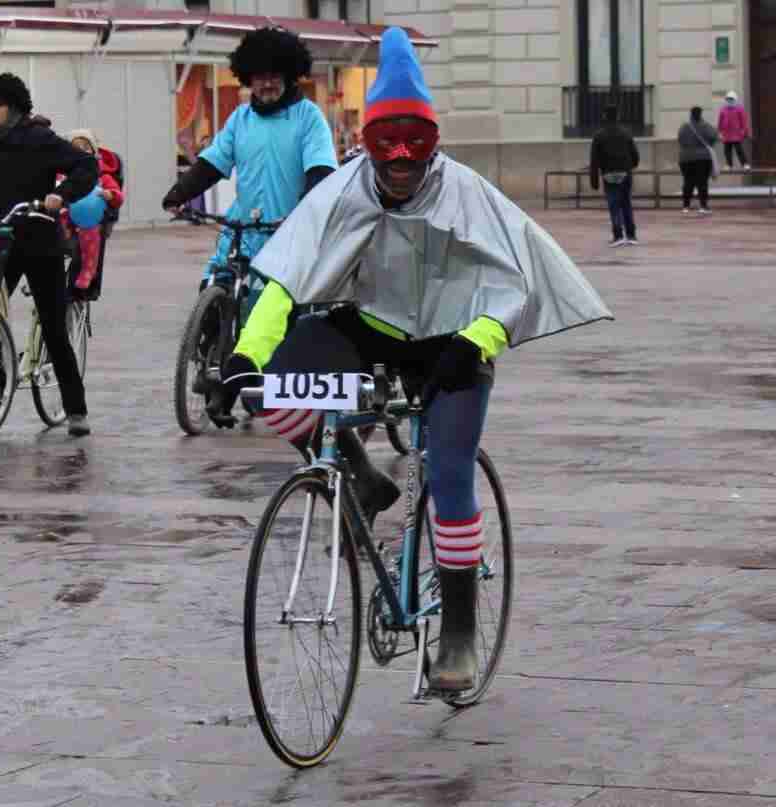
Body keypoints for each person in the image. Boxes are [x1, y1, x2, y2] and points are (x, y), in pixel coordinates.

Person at [209, 28, 612, 691]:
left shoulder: (467, 192)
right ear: (367, 144)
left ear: (433, 144)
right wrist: (246, 354)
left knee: (450, 478)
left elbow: (516, 278)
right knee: (277, 391)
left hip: (455, 342)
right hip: (369, 327)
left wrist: (477, 340)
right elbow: (286, 271)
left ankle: (456, 632)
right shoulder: (344, 188)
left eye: (415, 147)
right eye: (385, 146)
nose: (399, 162)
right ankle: (362, 475)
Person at [161, 25, 338, 418]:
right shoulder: (240, 119)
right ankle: (209, 358)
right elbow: (212, 163)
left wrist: (307, 210)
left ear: (289, 75)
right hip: (241, 229)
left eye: (275, 75)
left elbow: (321, 170)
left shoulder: (309, 118)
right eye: (259, 76)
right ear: (248, 78)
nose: (267, 84)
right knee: (214, 286)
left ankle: (262, 381)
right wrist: (179, 193)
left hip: (287, 231)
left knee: (274, 312)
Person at [0, 73, 98, 436]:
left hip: (40, 242)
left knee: (54, 327)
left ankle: (76, 409)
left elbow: (85, 167)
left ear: (13, 106)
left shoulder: (37, 137)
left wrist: (64, 194)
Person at [63, 129, 125, 300]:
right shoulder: (64, 173)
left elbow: (118, 196)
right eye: (76, 147)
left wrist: (110, 195)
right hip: (67, 218)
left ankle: (87, 271)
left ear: (93, 151)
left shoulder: (102, 176)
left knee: (89, 239)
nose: (81, 150)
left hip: (89, 222)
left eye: (85, 146)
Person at [589, 105, 640, 247]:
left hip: (608, 173)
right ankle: (631, 235)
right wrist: (631, 166)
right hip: (625, 172)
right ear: (618, 116)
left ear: (604, 117)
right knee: (626, 204)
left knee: (614, 205)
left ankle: (618, 235)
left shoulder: (598, 136)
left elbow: (594, 160)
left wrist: (594, 180)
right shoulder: (626, 133)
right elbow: (635, 155)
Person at [677, 107, 719, 215]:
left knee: (688, 182)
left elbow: (680, 139)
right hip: (702, 158)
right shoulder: (705, 126)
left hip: (685, 158)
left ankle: (686, 206)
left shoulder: (684, 127)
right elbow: (714, 136)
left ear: (690, 114)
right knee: (702, 182)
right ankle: (703, 206)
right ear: (701, 114)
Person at [717, 91, 751, 171]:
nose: (729, 101)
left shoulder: (740, 109)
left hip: (737, 134)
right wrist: (720, 132)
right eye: (728, 99)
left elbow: (744, 121)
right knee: (727, 151)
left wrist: (743, 131)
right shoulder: (723, 109)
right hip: (726, 134)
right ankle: (729, 165)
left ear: (735, 99)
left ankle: (745, 164)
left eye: (731, 99)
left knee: (739, 150)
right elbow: (720, 122)